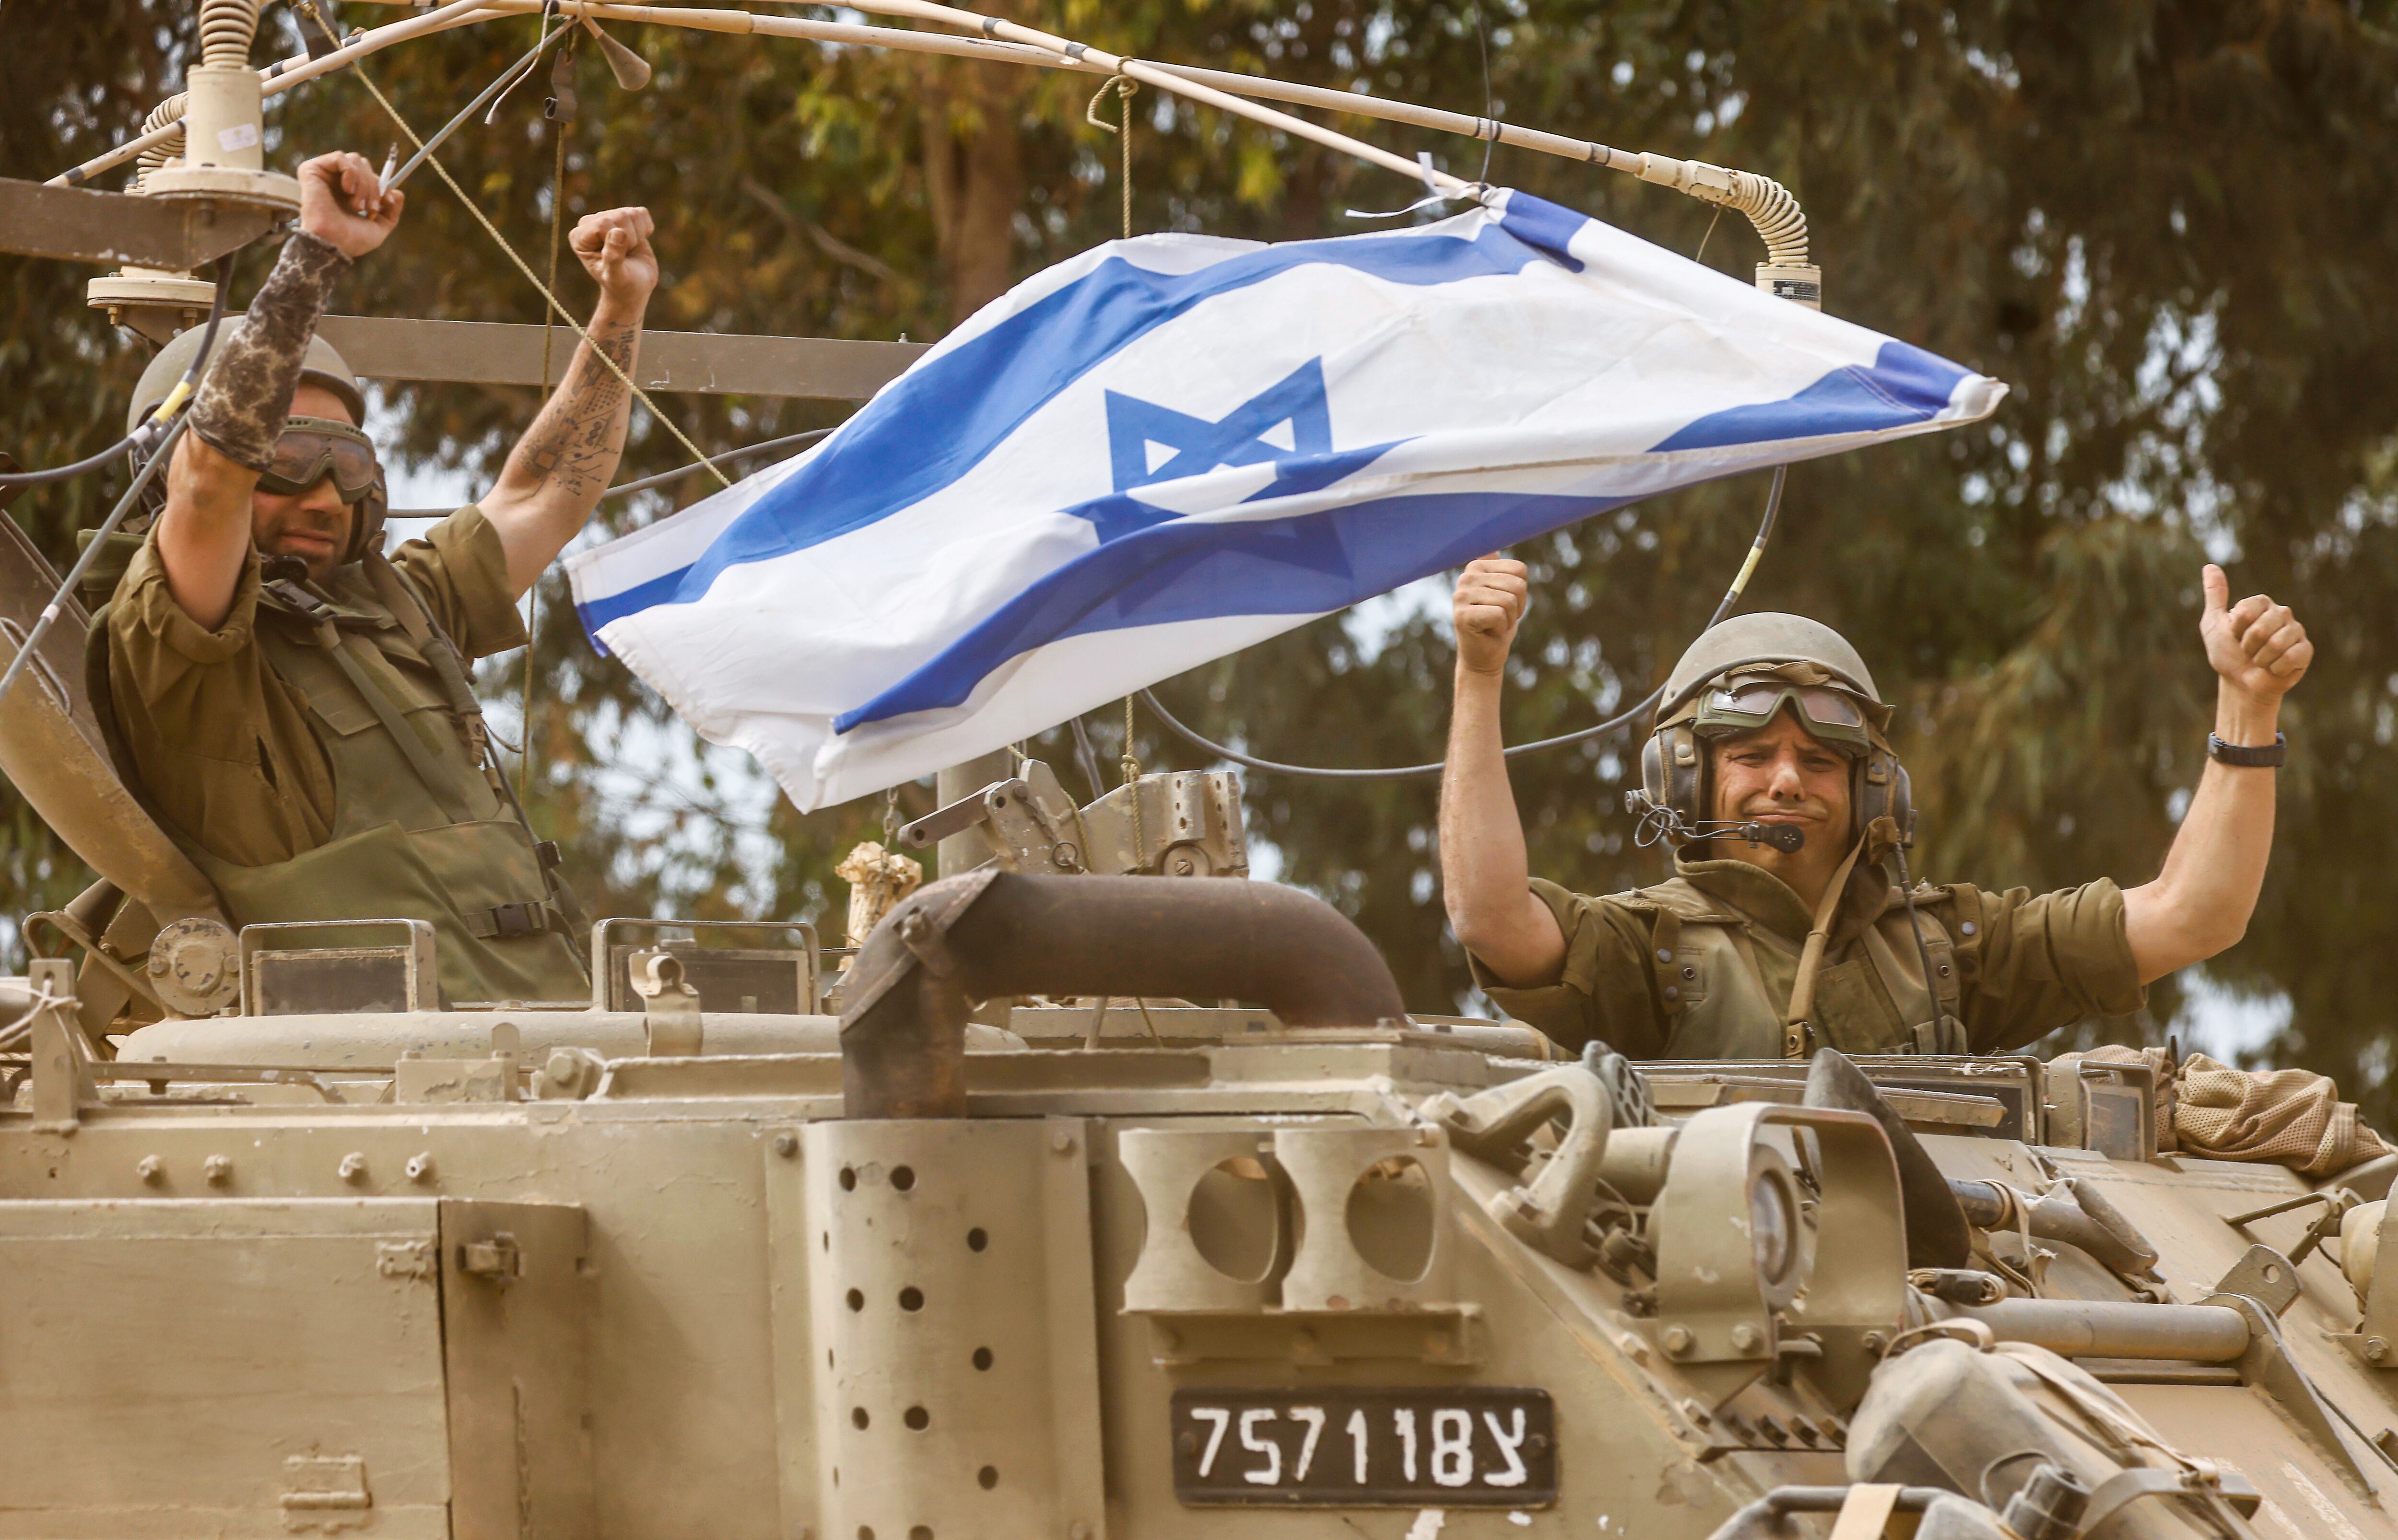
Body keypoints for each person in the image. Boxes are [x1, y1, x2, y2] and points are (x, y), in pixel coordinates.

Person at [94, 151, 659, 1004]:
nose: (325, 493)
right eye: (287, 457)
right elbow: (210, 485)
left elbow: (549, 489)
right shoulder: (178, 649)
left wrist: (620, 309)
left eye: (348, 461)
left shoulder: (400, 607)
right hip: (376, 1078)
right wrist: (314, 257)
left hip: (551, 1032)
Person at [1438, 554, 2313, 1059]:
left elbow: (2194, 916)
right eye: (1750, 756)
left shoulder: (1951, 948)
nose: (1786, 780)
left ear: (1872, 790)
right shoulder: (1643, 949)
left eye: (1820, 761)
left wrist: (2248, 709)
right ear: (1681, 778)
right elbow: (1490, 917)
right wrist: (1479, 678)